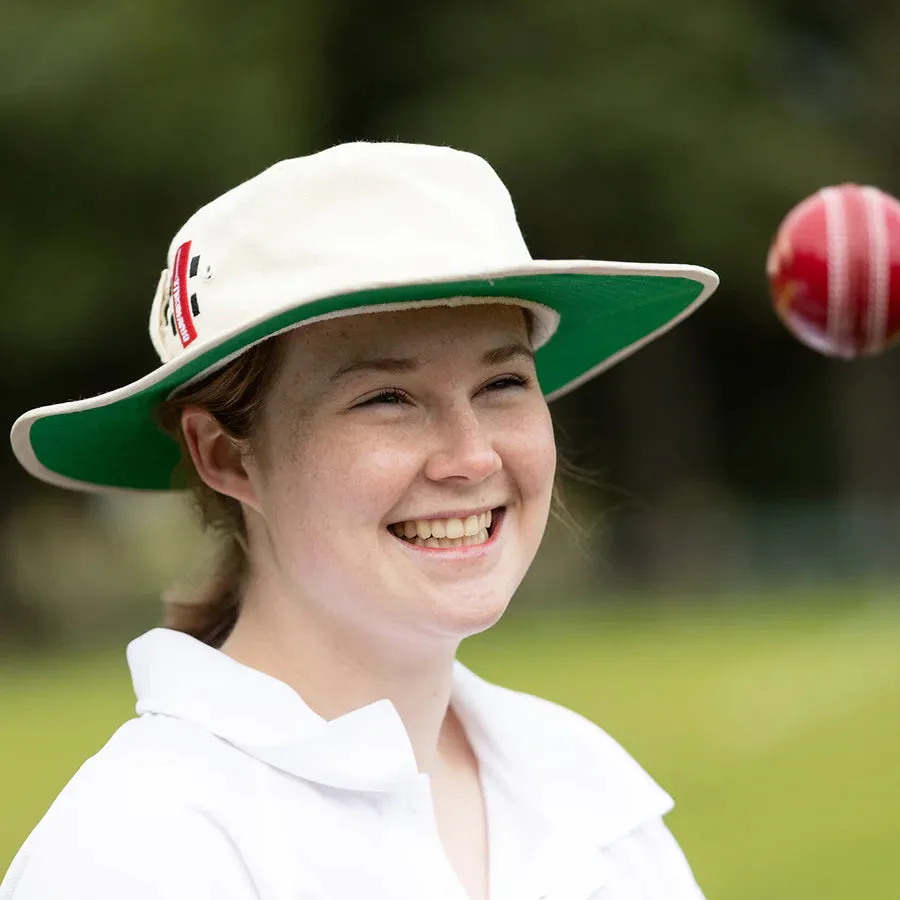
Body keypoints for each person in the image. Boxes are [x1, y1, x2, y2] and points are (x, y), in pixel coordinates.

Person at [3, 141, 718, 900]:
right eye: (387, 398)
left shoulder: (583, 783)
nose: (471, 457)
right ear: (227, 457)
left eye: (503, 381)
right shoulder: (137, 851)